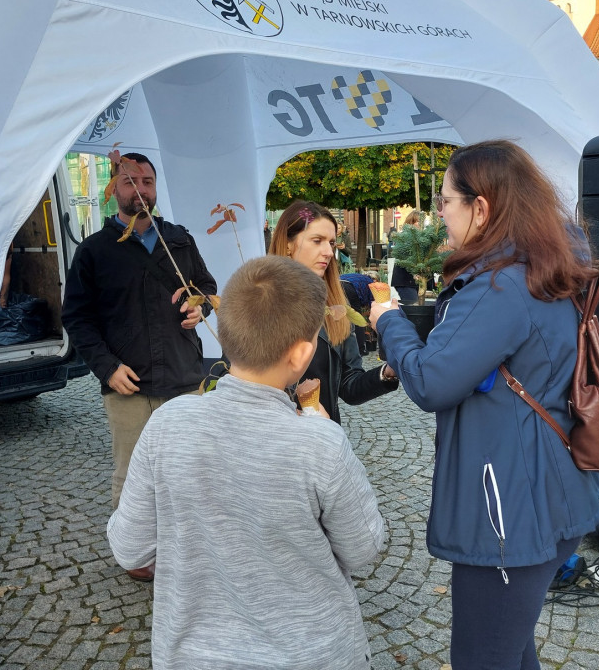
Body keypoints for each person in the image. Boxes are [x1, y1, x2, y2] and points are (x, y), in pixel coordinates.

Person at [369, 140, 599, 670]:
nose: (440, 216)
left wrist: (389, 322)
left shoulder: (501, 284)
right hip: (544, 491)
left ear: (482, 207)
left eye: (445, 202)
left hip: (509, 508)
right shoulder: (539, 267)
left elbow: (431, 381)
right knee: (511, 650)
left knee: (483, 658)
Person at [107, 256, 385, 669]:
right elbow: (363, 547)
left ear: (224, 332)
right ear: (302, 353)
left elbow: (130, 548)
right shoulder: (320, 443)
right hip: (313, 653)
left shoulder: (168, 424)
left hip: (196, 656)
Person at [62, 151, 217, 581]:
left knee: (189, 468)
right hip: (129, 383)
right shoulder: (95, 251)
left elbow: (205, 285)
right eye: (130, 182)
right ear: (114, 190)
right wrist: (107, 367)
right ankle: (136, 552)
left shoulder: (178, 239)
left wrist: (198, 306)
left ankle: (187, 545)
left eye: (147, 181)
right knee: (132, 472)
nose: (141, 190)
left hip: (185, 376)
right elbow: (77, 317)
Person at [268, 200, 398, 424]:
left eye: (331, 242)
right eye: (317, 241)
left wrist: (388, 372)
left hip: (322, 439)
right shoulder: (260, 300)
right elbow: (232, 376)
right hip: (272, 440)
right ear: (288, 244)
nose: (329, 252)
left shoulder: (336, 307)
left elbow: (350, 384)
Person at [390, 210, 422, 304]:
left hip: (413, 281)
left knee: (415, 305)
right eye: (417, 221)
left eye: (421, 221)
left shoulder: (419, 237)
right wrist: (414, 272)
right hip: (404, 280)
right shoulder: (405, 236)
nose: (419, 224)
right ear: (411, 222)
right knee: (412, 306)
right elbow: (404, 258)